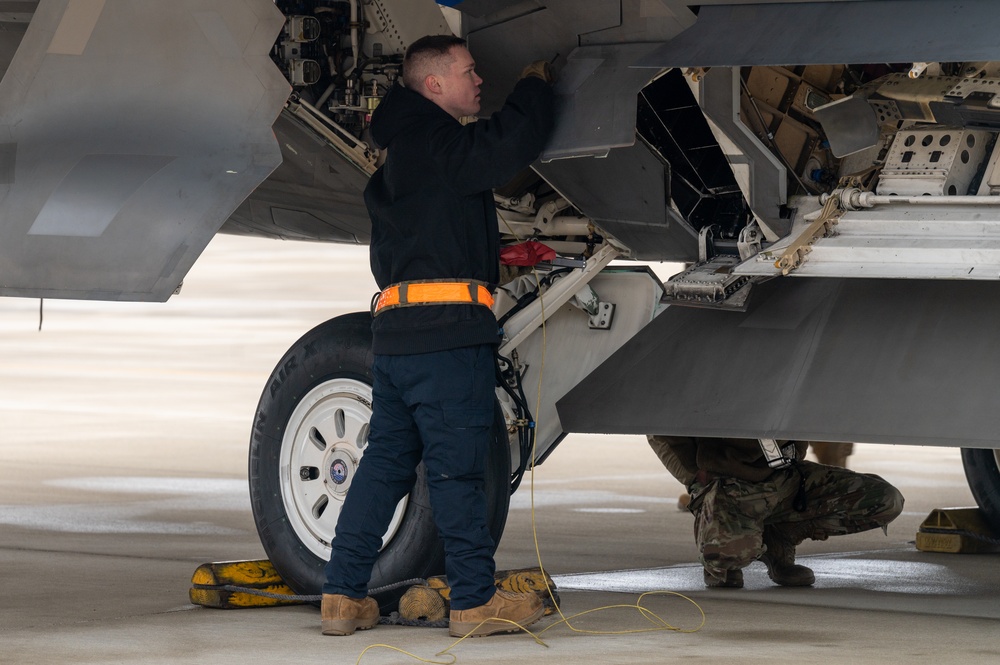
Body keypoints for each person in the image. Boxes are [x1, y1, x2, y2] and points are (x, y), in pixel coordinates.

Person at [320, 35, 555, 637]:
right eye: (469, 71)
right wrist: (533, 88)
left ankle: (343, 597)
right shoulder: (438, 142)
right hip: (444, 340)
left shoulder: (405, 150)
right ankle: (474, 602)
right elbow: (504, 145)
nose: (479, 81)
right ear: (433, 84)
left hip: (398, 337)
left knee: (385, 467)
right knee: (458, 470)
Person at [647, 435, 904, 588]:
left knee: (885, 500)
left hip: (787, 477)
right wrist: (696, 479)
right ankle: (721, 556)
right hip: (731, 481)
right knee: (727, 558)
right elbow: (658, 419)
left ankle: (779, 536)